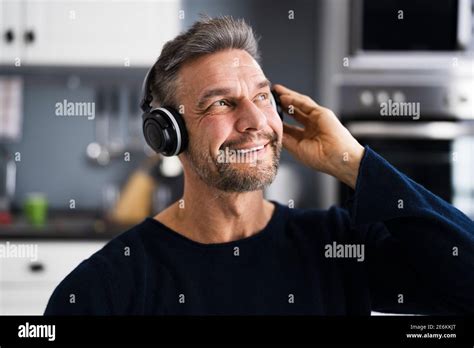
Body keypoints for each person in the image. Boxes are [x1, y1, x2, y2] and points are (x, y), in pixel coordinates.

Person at [45, 16, 474, 315]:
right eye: (222, 103)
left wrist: (354, 163)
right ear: (168, 133)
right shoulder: (107, 288)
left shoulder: (339, 248)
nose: (254, 122)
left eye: (262, 97)